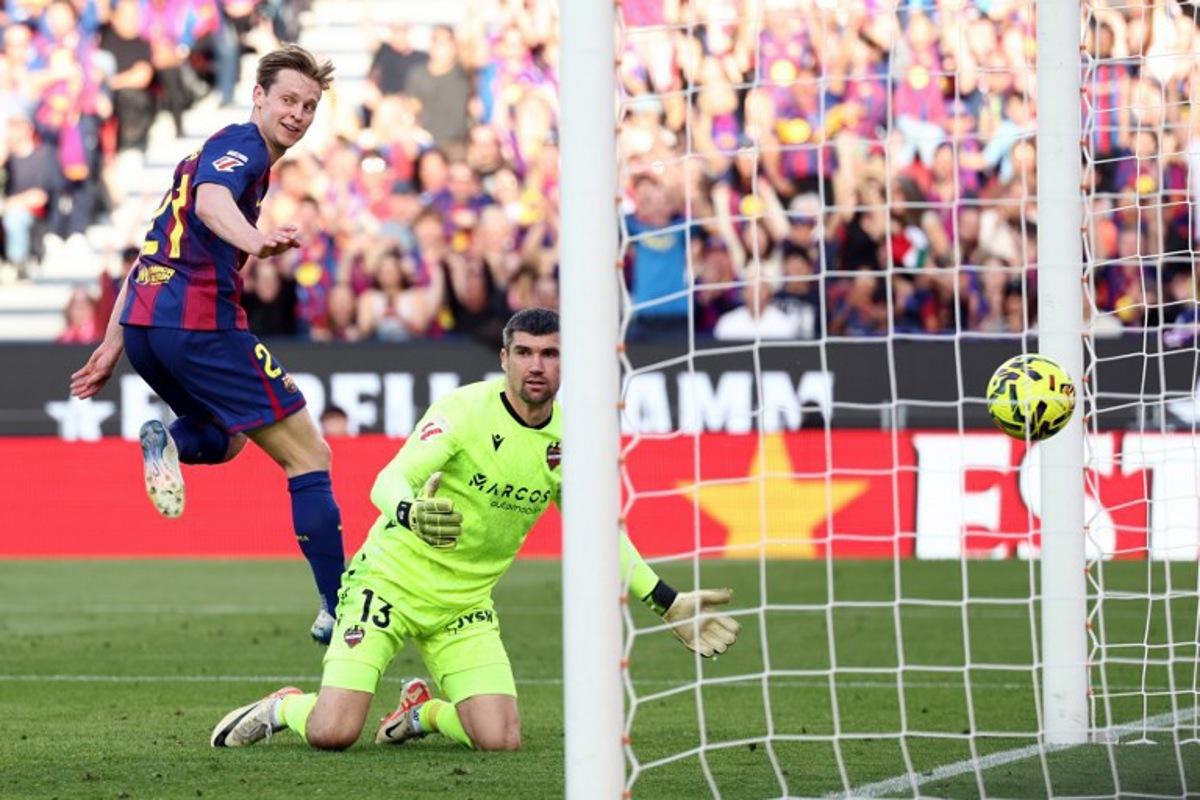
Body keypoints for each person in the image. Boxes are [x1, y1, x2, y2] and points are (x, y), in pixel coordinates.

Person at [209, 308, 741, 752]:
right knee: (334, 732)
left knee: (500, 740)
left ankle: (422, 713)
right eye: (526, 353)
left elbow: (597, 530)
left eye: (551, 354)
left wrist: (666, 601)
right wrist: (409, 512)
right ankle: (284, 707)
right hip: (387, 585)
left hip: (464, 605)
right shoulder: (463, 411)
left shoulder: (572, 437)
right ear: (504, 358)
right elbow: (389, 479)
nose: (537, 366)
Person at [68, 45, 345, 646]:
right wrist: (258, 239)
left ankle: (168, 438)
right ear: (259, 97)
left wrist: (114, 346)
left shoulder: (207, 154)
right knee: (310, 456)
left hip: (147, 325)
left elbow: (151, 250)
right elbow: (212, 203)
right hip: (200, 326)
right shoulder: (240, 147)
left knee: (229, 437)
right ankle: (338, 606)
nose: (297, 114)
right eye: (288, 100)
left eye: (309, 106)